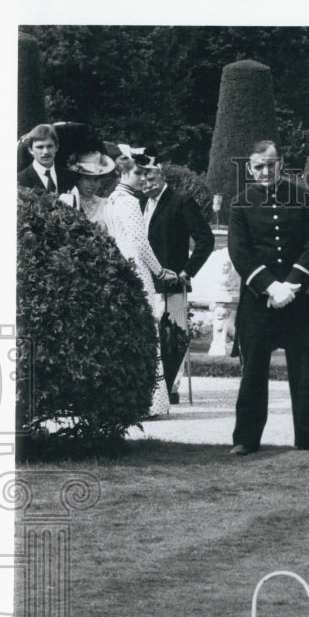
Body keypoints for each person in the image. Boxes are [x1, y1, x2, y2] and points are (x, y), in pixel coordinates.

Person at [227, 140, 309, 456]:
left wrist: (291, 285)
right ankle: (246, 439)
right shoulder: (240, 204)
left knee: (302, 372)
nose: (265, 171)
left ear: (280, 164)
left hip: (297, 299)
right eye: (258, 166)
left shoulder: (301, 197)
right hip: (259, 301)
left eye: (270, 165)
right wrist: (271, 287)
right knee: (253, 371)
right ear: (249, 168)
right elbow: (239, 252)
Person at [103, 145, 178, 418]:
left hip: (123, 271)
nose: (143, 179)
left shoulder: (113, 199)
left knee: (132, 334)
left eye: (145, 174)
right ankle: (149, 403)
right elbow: (140, 243)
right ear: (125, 173)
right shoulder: (129, 201)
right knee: (147, 333)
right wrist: (160, 271)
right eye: (138, 173)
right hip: (137, 273)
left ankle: (131, 400)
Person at [142, 160, 215, 402]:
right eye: (142, 178)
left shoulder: (181, 202)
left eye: (151, 178)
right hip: (145, 282)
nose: (146, 183)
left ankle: (170, 390)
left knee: (173, 338)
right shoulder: (140, 204)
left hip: (172, 284)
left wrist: (186, 272)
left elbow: (205, 239)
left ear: (162, 177)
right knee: (149, 337)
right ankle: (151, 388)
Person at [58, 149, 114, 229]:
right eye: (87, 179)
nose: (92, 184)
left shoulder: (106, 204)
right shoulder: (68, 200)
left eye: (96, 179)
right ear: (78, 179)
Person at [17, 123, 76, 194]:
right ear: (30, 149)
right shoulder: (20, 180)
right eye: (40, 147)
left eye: (49, 146)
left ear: (56, 147)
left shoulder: (69, 176)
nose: (45, 152)